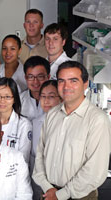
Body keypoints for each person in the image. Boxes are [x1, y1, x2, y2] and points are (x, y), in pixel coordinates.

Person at [33, 61, 111, 199]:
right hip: (48, 192)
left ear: (85, 84)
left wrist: (60, 195)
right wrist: (48, 188)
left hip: (79, 196)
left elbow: (95, 171)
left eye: (73, 81)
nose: (66, 87)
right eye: (61, 81)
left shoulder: (97, 119)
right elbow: (40, 154)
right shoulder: (52, 114)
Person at [30, 80, 61, 200]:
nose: (46, 101)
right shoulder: (35, 123)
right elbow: (34, 158)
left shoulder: (68, 122)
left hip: (62, 184)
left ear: (61, 98)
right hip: (41, 185)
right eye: (43, 96)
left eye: (51, 96)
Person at [0, 77, 32, 163]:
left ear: (14, 99)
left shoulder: (24, 125)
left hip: (15, 173)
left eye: (7, 97)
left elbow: (23, 160)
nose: (2, 101)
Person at [20, 56, 50, 121]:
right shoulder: (19, 100)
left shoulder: (57, 100)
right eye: (31, 77)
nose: (35, 82)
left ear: (48, 77)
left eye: (40, 76)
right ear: (25, 77)